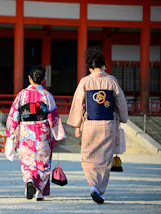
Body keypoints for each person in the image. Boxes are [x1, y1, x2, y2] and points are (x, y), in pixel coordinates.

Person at [67, 48, 128, 204]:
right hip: (108, 123)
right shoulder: (111, 80)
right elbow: (120, 101)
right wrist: (123, 117)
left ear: (89, 67)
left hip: (90, 123)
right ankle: (99, 189)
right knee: (105, 157)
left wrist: (76, 125)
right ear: (104, 65)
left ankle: (92, 185)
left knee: (87, 156)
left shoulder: (85, 81)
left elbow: (78, 104)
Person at [6, 65, 66, 201]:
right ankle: (39, 192)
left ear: (29, 78)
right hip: (42, 133)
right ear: (43, 79)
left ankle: (29, 180)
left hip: (26, 132)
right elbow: (53, 116)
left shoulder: (22, 94)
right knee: (43, 163)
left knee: (27, 161)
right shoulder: (47, 95)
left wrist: (11, 131)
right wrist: (57, 134)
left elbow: (14, 114)